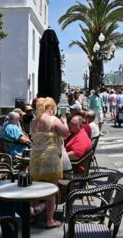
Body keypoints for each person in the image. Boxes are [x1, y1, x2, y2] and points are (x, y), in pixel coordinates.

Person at [30, 97, 69, 229]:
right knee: (51, 191)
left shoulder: (33, 121)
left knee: (35, 188)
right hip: (50, 158)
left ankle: (33, 214)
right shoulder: (53, 120)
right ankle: (49, 220)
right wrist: (64, 122)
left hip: (35, 159)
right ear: (50, 107)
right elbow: (65, 133)